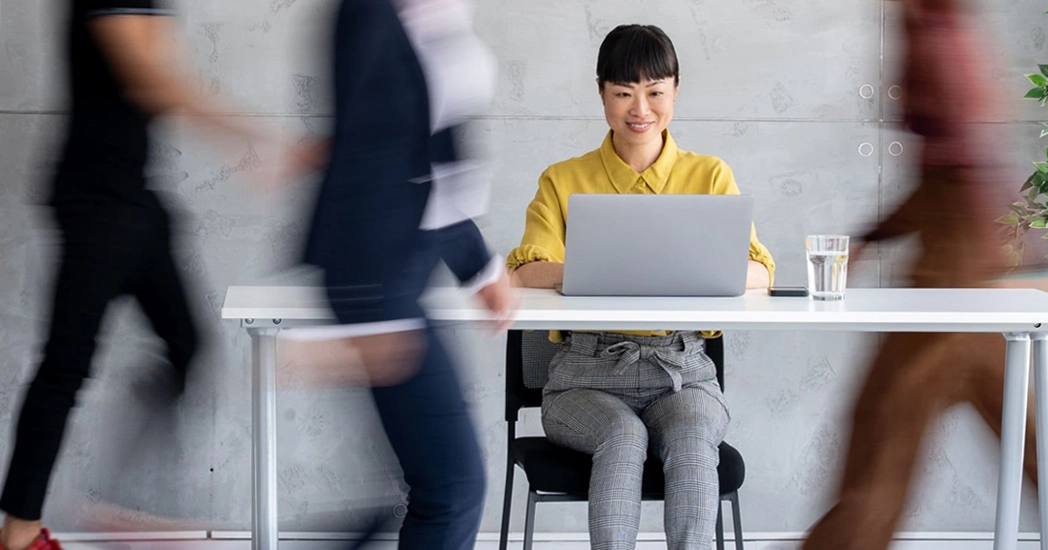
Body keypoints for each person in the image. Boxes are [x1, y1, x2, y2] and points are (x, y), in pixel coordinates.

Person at [799, 1, 1048, 550]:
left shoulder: (933, 24)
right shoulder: (943, 20)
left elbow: (961, 156)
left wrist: (1019, 252)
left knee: (879, 449)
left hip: (955, 270)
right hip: (979, 260)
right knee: (1045, 457)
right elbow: (955, 163)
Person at [0, 1, 309, 548]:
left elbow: (162, 73)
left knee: (186, 342)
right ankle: (20, 534)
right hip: (96, 201)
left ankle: (120, 505)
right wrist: (255, 134)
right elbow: (152, 82)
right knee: (65, 367)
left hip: (134, 200)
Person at [507, 24, 775, 550]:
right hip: (584, 377)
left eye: (655, 92)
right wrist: (598, 267)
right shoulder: (563, 179)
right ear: (602, 91)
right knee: (623, 438)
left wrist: (687, 267)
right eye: (624, 92)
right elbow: (524, 273)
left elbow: (762, 274)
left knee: (696, 441)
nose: (640, 108)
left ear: (675, 90)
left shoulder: (710, 174)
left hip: (682, 372)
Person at [300, 0, 514, 549]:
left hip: (397, 274)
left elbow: (435, 148)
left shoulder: (433, 12)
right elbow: (372, 145)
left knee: (442, 486)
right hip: (379, 275)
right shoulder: (371, 11)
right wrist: (374, 303)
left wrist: (479, 265)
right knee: (453, 486)